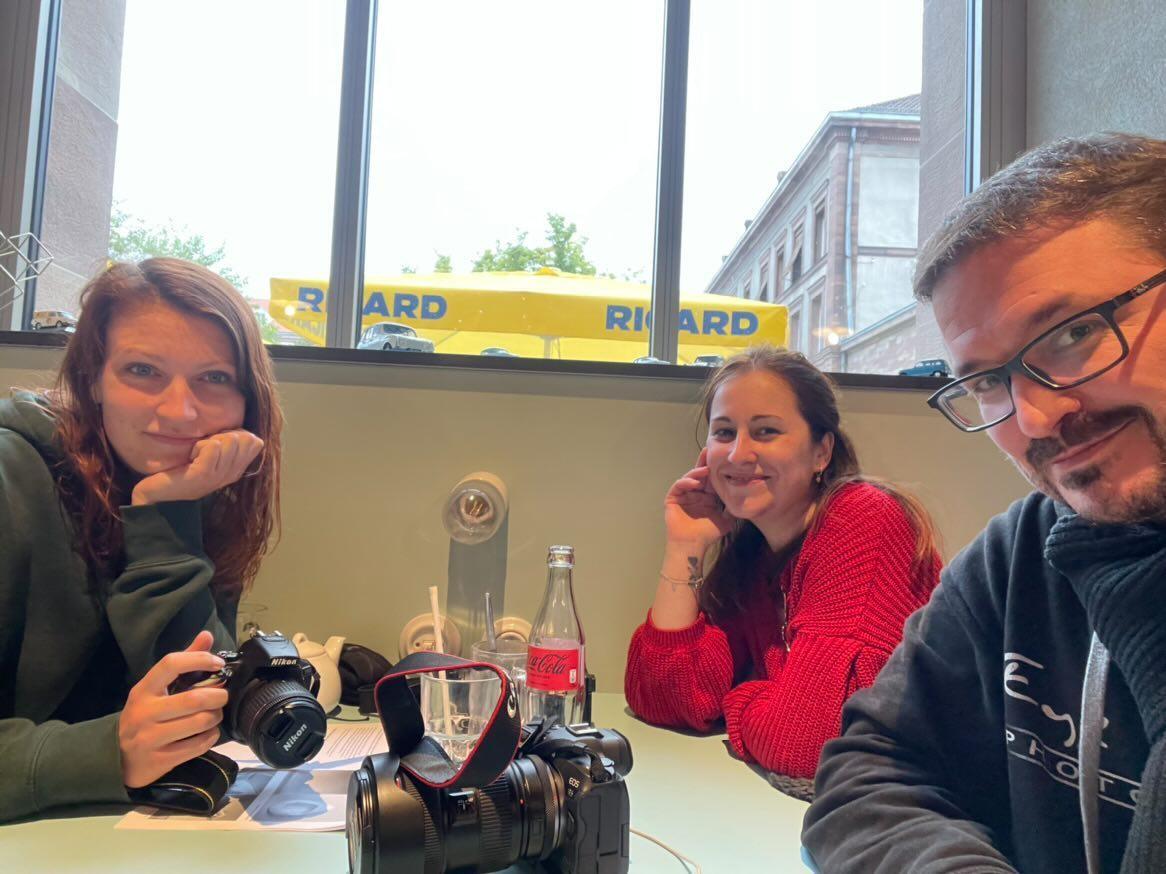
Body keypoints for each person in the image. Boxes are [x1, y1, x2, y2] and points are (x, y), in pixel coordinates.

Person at [802, 133, 1166, 874]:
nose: (1035, 417)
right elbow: (869, 769)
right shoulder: (1026, 551)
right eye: (990, 381)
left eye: (1074, 333)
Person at [0, 257, 282, 821]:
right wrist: (106, 754)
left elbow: (197, 697)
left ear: (246, 401)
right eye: (143, 370)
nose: (180, 411)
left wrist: (165, 512)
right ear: (93, 380)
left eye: (214, 378)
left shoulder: (191, 491)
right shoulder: (11, 476)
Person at [624, 345, 941, 791]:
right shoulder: (754, 557)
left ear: (821, 451)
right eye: (724, 432)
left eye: (766, 431)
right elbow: (664, 697)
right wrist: (684, 545)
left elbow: (807, 746)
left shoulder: (864, 518)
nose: (738, 454)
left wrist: (740, 699)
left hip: (933, 806)